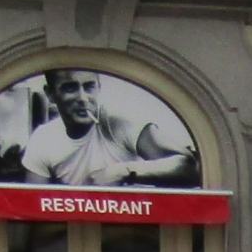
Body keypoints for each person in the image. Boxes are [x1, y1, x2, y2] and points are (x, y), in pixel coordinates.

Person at [21, 71, 198, 187]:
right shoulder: (43, 138)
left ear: (99, 87)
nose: (83, 98)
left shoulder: (119, 122)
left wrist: (123, 172)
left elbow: (189, 166)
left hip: (129, 234)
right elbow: (31, 207)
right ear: (50, 94)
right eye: (70, 88)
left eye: (89, 86)